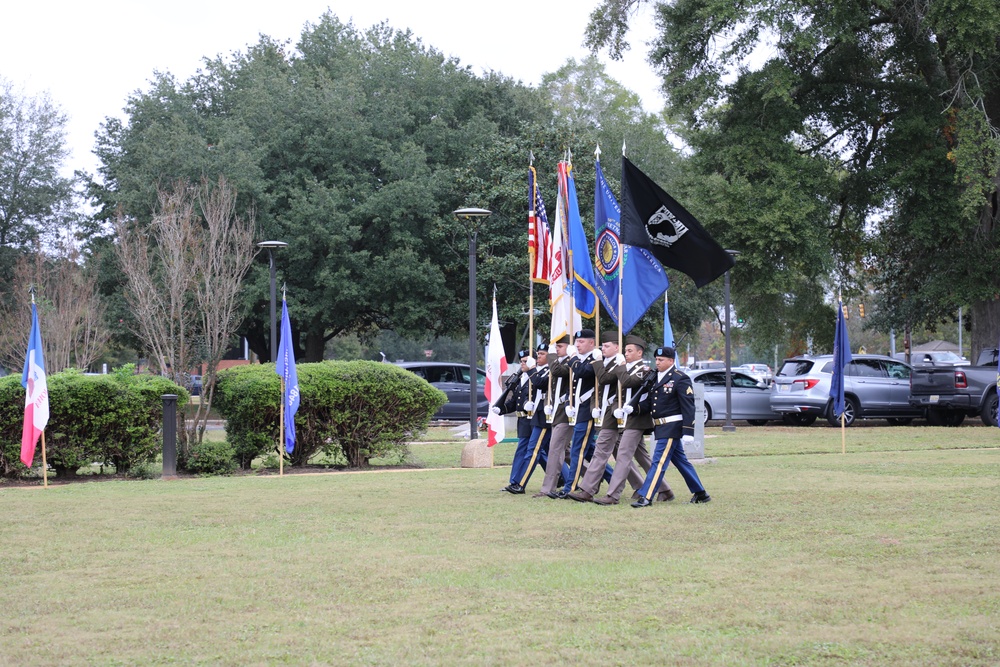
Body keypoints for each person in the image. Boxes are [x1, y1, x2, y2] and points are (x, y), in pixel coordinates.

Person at [568, 330, 647, 502]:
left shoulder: (620, 364)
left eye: (606, 346)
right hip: (608, 414)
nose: (602, 348)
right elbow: (599, 389)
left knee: (631, 455)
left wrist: (598, 362)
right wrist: (594, 406)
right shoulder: (610, 362)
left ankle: (595, 491)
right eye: (602, 345)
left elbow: (604, 379)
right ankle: (589, 490)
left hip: (622, 415)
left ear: (616, 347)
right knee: (609, 453)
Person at [631, 346, 711, 508]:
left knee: (658, 462)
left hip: (672, 427)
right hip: (660, 426)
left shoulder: (680, 378)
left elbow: (688, 406)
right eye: (656, 360)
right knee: (681, 462)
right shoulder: (656, 378)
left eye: (661, 360)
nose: (657, 362)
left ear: (671, 361)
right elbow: (651, 403)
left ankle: (646, 496)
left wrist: (688, 430)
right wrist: (633, 408)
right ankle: (701, 493)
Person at [560, 329, 605, 496]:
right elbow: (572, 385)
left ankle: (569, 487)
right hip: (577, 410)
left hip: (588, 411)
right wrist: (567, 403)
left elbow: (582, 372)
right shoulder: (580, 359)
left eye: (581, 342)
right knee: (591, 451)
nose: (577, 345)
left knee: (577, 450)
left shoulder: (595, 357)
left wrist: (571, 357)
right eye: (576, 342)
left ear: (591, 343)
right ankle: (611, 476)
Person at [535, 336, 574, 499]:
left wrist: (550, 355)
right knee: (567, 453)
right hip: (556, 412)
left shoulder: (570, 363)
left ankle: (547, 488)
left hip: (567, 413)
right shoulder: (558, 362)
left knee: (555, 449)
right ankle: (597, 476)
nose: (556, 349)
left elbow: (558, 371)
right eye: (555, 347)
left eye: (560, 346)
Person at [511, 343, 552, 492]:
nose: (539, 356)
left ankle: (520, 483)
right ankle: (518, 482)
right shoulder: (539, 371)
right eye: (538, 353)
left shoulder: (550, 370)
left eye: (542, 354)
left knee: (536, 451)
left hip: (547, 416)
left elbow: (540, 384)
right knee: (537, 451)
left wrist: (531, 369)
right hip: (537, 415)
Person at [494, 349, 537, 494]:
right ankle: (514, 481)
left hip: (533, 419)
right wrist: (502, 409)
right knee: (533, 452)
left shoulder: (535, 376)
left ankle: (564, 477)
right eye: (521, 361)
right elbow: (514, 401)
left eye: (526, 361)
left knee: (538, 452)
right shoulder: (521, 378)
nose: (522, 364)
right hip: (523, 420)